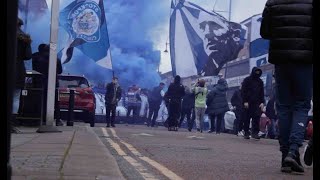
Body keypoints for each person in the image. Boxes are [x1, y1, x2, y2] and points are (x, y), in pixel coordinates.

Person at [260, 0, 313, 173]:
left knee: (283, 107)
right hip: (305, 59)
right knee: (302, 104)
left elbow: (265, 32)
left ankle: (285, 156)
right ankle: (293, 150)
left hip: (281, 60)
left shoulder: (272, 3)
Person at [32, 44, 63, 126]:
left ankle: (39, 119)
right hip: (53, 82)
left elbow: (34, 68)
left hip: (39, 82)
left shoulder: (36, 57)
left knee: (40, 101)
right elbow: (60, 71)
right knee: (56, 102)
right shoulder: (56, 59)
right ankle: (57, 120)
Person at [12, 18, 32, 132]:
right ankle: (12, 123)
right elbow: (28, 56)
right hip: (18, 70)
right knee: (15, 97)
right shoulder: (25, 38)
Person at [241, 67, 265, 140]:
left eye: (258, 72)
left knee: (256, 118)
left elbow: (262, 92)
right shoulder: (247, 80)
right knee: (247, 118)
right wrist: (245, 101)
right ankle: (246, 132)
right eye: (256, 72)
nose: (257, 73)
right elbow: (243, 91)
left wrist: (262, 102)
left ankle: (255, 133)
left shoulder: (260, 82)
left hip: (257, 103)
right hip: (248, 102)